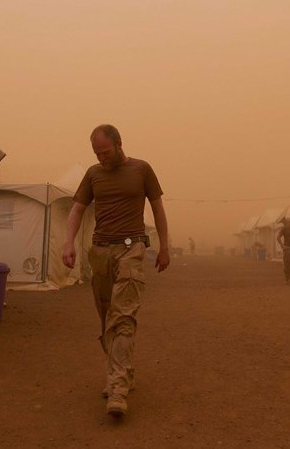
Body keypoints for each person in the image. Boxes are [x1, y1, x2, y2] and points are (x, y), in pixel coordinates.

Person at [62, 124, 170, 418]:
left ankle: (118, 388)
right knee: (106, 318)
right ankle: (125, 372)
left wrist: (164, 247)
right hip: (100, 253)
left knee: (122, 316)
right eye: (97, 153)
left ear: (120, 143)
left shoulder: (142, 170)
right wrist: (68, 243)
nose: (102, 158)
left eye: (106, 152)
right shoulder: (93, 174)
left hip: (131, 249)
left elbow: (158, 208)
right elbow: (77, 209)